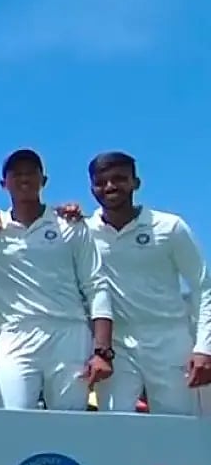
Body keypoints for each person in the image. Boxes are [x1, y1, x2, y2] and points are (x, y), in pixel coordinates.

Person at [0, 149, 115, 410]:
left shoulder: (71, 224)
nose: (24, 179)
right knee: (13, 419)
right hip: (16, 333)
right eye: (16, 174)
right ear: (4, 184)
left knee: (70, 424)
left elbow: (97, 285)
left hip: (69, 333)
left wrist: (101, 350)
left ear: (43, 181)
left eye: (31, 173)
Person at [84, 151, 211, 415]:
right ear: (92, 187)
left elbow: (203, 287)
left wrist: (204, 347)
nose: (110, 187)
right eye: (101, 181)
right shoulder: (84, 231)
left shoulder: (170, 227)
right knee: (115, 426)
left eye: (119, 179)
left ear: (135, 183)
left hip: (170, 340)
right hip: (116, 346)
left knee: (180, 425)